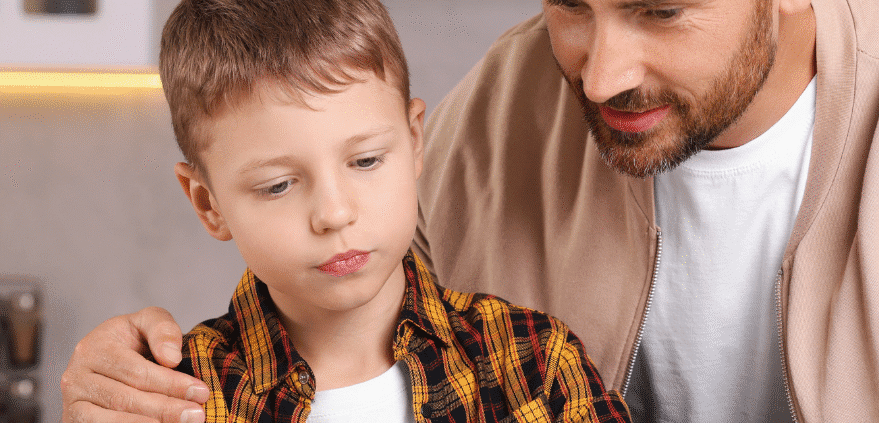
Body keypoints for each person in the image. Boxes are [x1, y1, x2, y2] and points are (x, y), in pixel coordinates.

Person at [62, 0, 879, 420]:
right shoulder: (509, 104)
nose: (601, 74)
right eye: (571, 6)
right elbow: (342, 293)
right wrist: (138, 378)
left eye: (660, 8)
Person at [61, 0, 632, 422]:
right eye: (279, 185)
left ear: (414, 142)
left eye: (364, 161)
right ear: (208, 204)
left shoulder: (533, 361)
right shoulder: (174, 396)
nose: (334, 213)